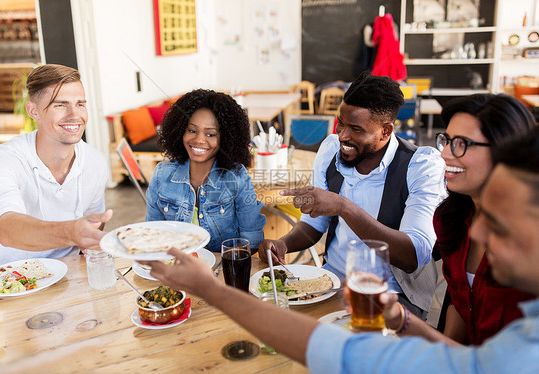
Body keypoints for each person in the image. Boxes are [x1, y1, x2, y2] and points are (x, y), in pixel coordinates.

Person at [142, 126, 539, 373]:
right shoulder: (522, 336)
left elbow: (347, 353)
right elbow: (463, 362)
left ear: (385, 130)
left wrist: (211, 289)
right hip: (353, 298)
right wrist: (403, 322)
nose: (479, 233)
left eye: (499, 220)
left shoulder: (418, 165)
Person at [259, 71, 446, 317]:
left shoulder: (420, 165)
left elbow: (413, 256)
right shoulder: (330, 151)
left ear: (386, 131)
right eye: (341, 123)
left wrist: (343, 207)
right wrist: (283, 243)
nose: (343, 136)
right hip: (332, 281)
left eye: (356, 129)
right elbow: (314, 225)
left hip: (392, 293)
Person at [0, 64, 112, 272]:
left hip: (68, 277)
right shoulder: (1, 159)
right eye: (60, 105)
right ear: (33, 111)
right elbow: (6, 228)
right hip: (6, 281)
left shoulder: (95, 161)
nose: (74, 115)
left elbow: (92, 224)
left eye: (80, 104)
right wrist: (72, 232)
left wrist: (89, 236)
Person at [430, 94, 535, 345]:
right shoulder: (450, 220)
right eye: (446, 140)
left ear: (506, 149)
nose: (444, 153)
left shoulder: (531, 237)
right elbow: (459, 304)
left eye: (461, 143)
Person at [145, 88, 266, 252]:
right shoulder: (162, 175)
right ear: (180, 130)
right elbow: (153, 234)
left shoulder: (237, 177)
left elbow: (251, 240)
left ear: (225, 138)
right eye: (192, 130)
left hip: (220, 272)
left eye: (210, 134)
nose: (199, 140)